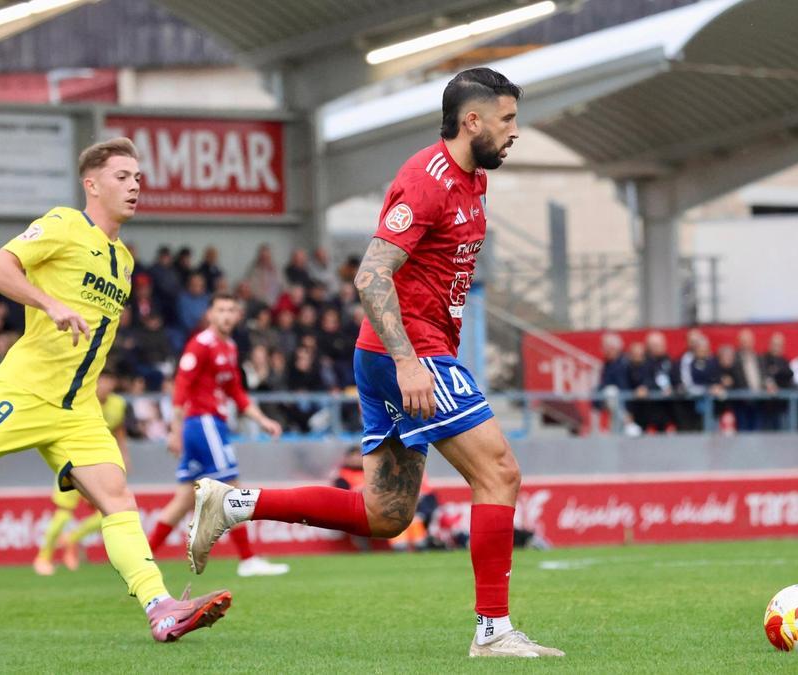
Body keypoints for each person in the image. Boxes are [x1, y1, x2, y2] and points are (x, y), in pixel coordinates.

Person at [186, 68, 562, 658]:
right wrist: (410, 363)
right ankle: (493, 630)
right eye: (508, 119)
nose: (515, 130)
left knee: (385, 514)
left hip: (394, 351)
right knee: (500, 474)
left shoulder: (474, 181)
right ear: (473, 121)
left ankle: (235, 503)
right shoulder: (427, 180)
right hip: (408, 352)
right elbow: (370, 274)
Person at [0, 138, 230, 642]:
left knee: (118, 500)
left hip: (79, 408)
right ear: (91, 184)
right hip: (28, 391)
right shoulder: (63, 224)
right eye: (123, 177)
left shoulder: (123, 260)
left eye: (139, 177)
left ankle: (160, 607)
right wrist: (49, 303)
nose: (135, 185)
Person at [146, 292, 287, 577]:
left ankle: (141, 560)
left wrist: (262, 420)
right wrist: (174, 431)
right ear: (210, 314)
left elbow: (236, 391)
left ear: (237, 316)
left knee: (184, 498)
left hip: (207, 425)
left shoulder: (230, 347)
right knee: (232, 490)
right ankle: (248, 559)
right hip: (204, 424)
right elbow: (181, 388)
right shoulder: (201, 345)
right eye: (220, 309)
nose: (225, 315)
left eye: (231, 310)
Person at [33, 367, 130, 575]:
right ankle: (43, 557)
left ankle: (71, 539)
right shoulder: (80, 398)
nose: (104, 385)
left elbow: (119, 433)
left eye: (109, 380)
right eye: (101, 380)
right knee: (63, 515)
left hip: (100, 465)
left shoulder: (118, 404)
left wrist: (124, 460)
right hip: (72, 462)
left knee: (108, 511)